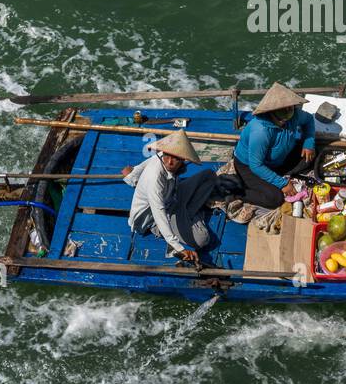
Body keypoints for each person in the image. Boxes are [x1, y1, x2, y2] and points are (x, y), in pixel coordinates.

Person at [123, 130, 221, 263]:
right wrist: (178, 248)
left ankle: (187, 214)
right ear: (164, 153)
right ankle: (186, 216)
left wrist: (129, 175)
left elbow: (136, 172)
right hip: (155, 220)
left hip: (172, 197)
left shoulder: (159, 156)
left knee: (209, 175)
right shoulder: (155, 179)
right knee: (203, 239)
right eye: (167, 156)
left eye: (176, 158)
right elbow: (159, 213)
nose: (169, 162)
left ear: (183, 159)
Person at [231, 82, 317, 211]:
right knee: (274, 199)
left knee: (310, 157)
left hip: (277, 160)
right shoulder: (261, 131)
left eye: (291, 107)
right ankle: (236, 191)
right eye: (284, 109)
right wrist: (283, 184)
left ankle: (275, 176)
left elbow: (309, 120)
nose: (289, 111)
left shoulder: (294, 115)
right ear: (272, 112)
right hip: (249, 166)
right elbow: (256, 165)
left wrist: (308, 143)